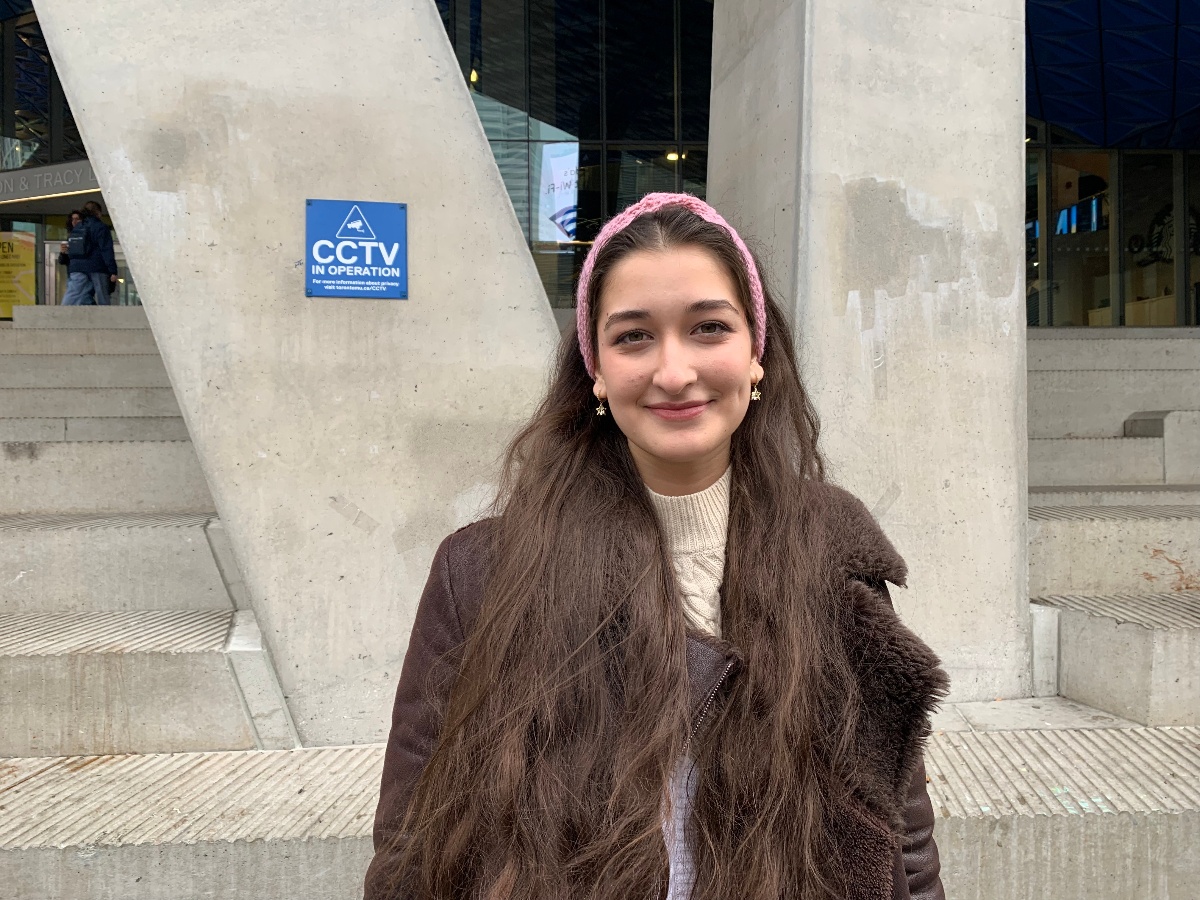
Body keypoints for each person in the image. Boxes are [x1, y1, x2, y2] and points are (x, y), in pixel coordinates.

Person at [365, 193, 948, 900]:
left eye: (708, 328)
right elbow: (410, 846)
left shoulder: (832, 550)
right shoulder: (484, 573)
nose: (674, 372)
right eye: (634, 337)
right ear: (597, 372)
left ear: (756, 353)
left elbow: (899, 837)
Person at [61, 200, 118, 306]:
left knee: (74, 293)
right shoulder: (101, 227)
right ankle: (105, 318)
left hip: (77, 267)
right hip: (97, 267)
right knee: (102, 296)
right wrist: (112, 270)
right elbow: (106, 250)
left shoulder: (77, 227)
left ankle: (62, 313)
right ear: (98, 213)